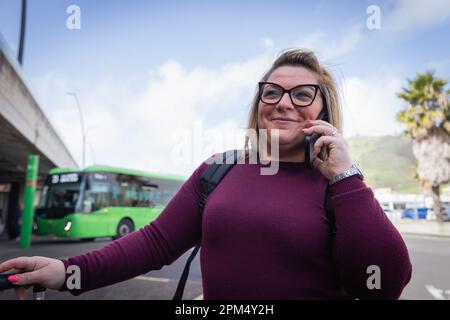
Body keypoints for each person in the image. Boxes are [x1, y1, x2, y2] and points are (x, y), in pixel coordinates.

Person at [0, 49, 412, 300]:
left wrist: (345, 177)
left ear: (322, 109)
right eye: (272, 91)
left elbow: (384, 285)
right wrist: (69, 272)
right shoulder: (220, 169)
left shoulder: (340, 185)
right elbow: (154, 243)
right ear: (259, 102)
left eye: (302, 94)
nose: (284, 103)